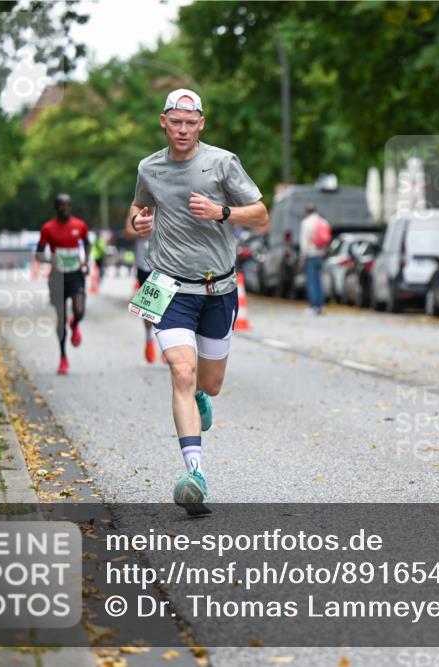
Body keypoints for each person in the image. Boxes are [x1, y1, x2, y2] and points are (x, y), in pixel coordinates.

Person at [128, 88, 268, 516]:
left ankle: (201, 399)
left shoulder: (222, 163)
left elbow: (261, 216)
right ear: (163, 122)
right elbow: (135, 212)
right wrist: (138, 221)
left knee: (209, 384)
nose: (183, 129)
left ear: (201, 123)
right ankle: (195, 475)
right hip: (168, 286)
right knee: (181, 371)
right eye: (176, 122)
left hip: (218, 291)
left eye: (191, 122)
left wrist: (221, 212)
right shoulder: (149, 168)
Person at [36, 194, 90, 376]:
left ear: (71, 206)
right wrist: (51, 259)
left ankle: (75, 324)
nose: (64, 208)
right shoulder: (47, 228)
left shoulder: (79, 225)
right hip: (57, 277)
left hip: (75, 274)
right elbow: (39, 254)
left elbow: (87, 244)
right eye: (61, 205)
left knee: (80, 310)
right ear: (56, 207)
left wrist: (85, 262)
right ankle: (63, 358)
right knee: (61, 319)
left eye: (67, 205)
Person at [126, 234, 158, 364]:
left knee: (167, 307)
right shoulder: (138, 212)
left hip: (164, 266)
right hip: (144, 267)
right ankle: (149, 337)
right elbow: (129, 232)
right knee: (148, 308)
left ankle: (168, 346)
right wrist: (141, 227)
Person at [299, 203, 328, 314]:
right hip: (320, 254)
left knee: (311, 281)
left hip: (310, 255)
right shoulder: (323, 222)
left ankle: (313, 306)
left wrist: (302, 257)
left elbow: (304, 242)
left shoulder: (306, 223)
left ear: (307, 211)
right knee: (319, 280)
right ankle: (321, 305)